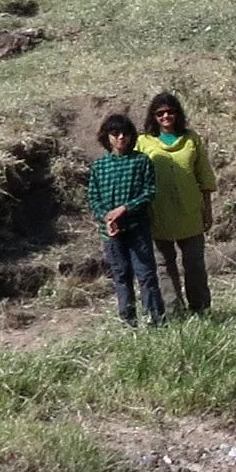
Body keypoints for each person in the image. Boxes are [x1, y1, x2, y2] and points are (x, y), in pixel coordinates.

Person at [137, 91, 218, 315]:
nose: (166, 116)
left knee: (195, 265)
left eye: (170, 111)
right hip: (157, 214)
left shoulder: (191, 138)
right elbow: (134, 175)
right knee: (164, 267)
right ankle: (174, 312)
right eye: (160, 113)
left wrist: (207, 210)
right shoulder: (143, 142)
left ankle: (200, 309)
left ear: (178, 114)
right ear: (153, 116)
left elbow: (204, 176)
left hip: (190, 212)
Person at [86, 112, 165, 326]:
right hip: (111, 233)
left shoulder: (141, 162)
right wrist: (106, 217)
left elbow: (149, 192)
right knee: (121, 277)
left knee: (146, 276)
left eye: (125, 133)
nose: (121, 137)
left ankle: (155, 321)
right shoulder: (100, 166)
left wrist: (124, 208)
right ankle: (128, 323)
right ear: (107, 137)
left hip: (137, 228)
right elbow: (93, 197)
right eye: (115, 133)